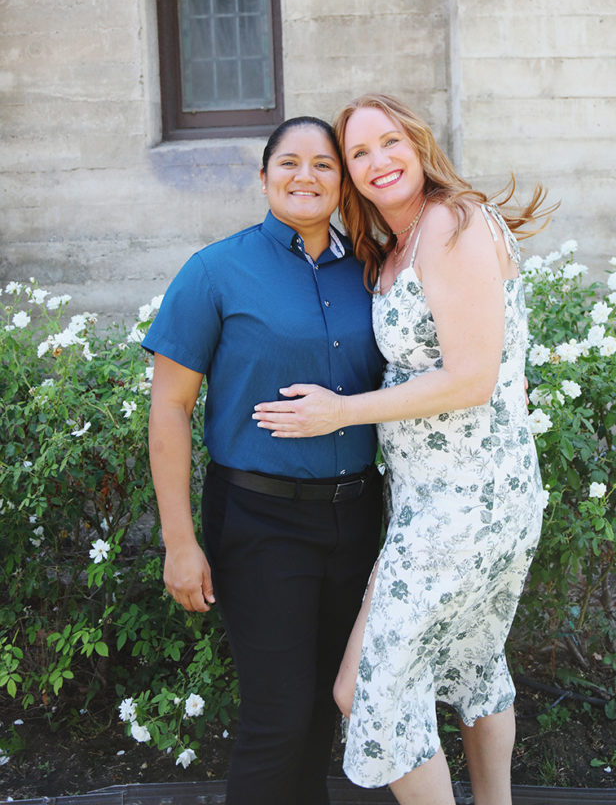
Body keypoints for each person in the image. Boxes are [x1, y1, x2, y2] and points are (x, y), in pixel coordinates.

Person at [252, 94, 556, 805]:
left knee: (364, 688)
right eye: (358, 153)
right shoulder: (398, 245)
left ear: (417, 144)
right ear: (350, 177)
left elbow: (472, 378)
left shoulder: (452, 221)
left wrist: (341, 414)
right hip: (438, 503)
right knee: (476, 667)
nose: (377, 161)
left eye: (388, 142)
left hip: (468, 504)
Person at [143, 117, 385, 805]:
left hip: (356, 514)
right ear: (262, 177)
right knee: (277, 717)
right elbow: (170, 410)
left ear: (343, 183)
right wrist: (179, 542)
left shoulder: (372, 271)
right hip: (259, 519)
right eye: (289, 163)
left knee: (320, 712)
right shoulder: (215, 270)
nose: (305, 176)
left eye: (323, 165)